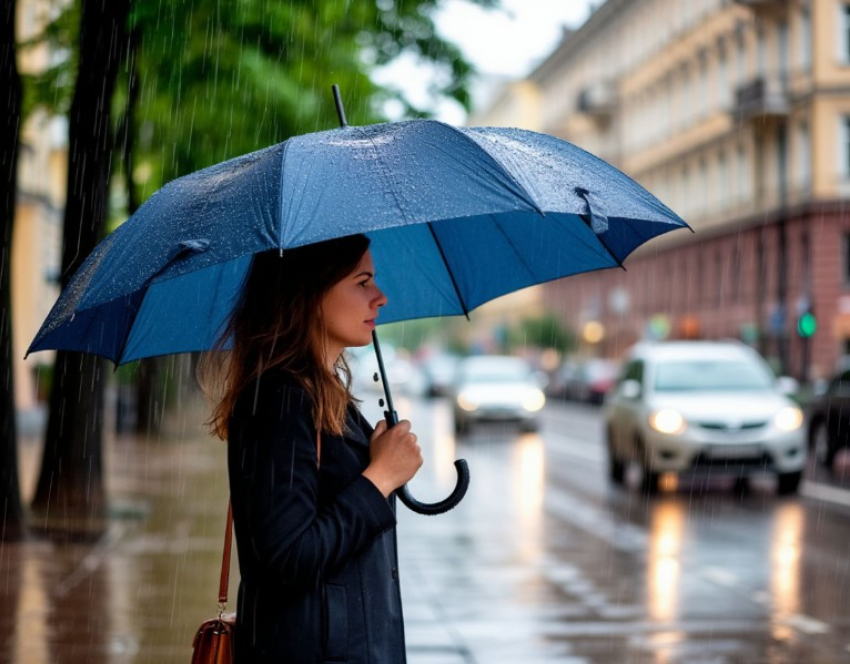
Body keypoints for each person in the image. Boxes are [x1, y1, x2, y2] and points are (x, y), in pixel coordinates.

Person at [199, 234, 423, 663]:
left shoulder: (321, 395)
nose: (380, 298)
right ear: (310, 291)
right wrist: (379, 479)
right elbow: (287, 557)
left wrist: (374, 460)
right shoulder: (283, 399)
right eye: (362, 282)